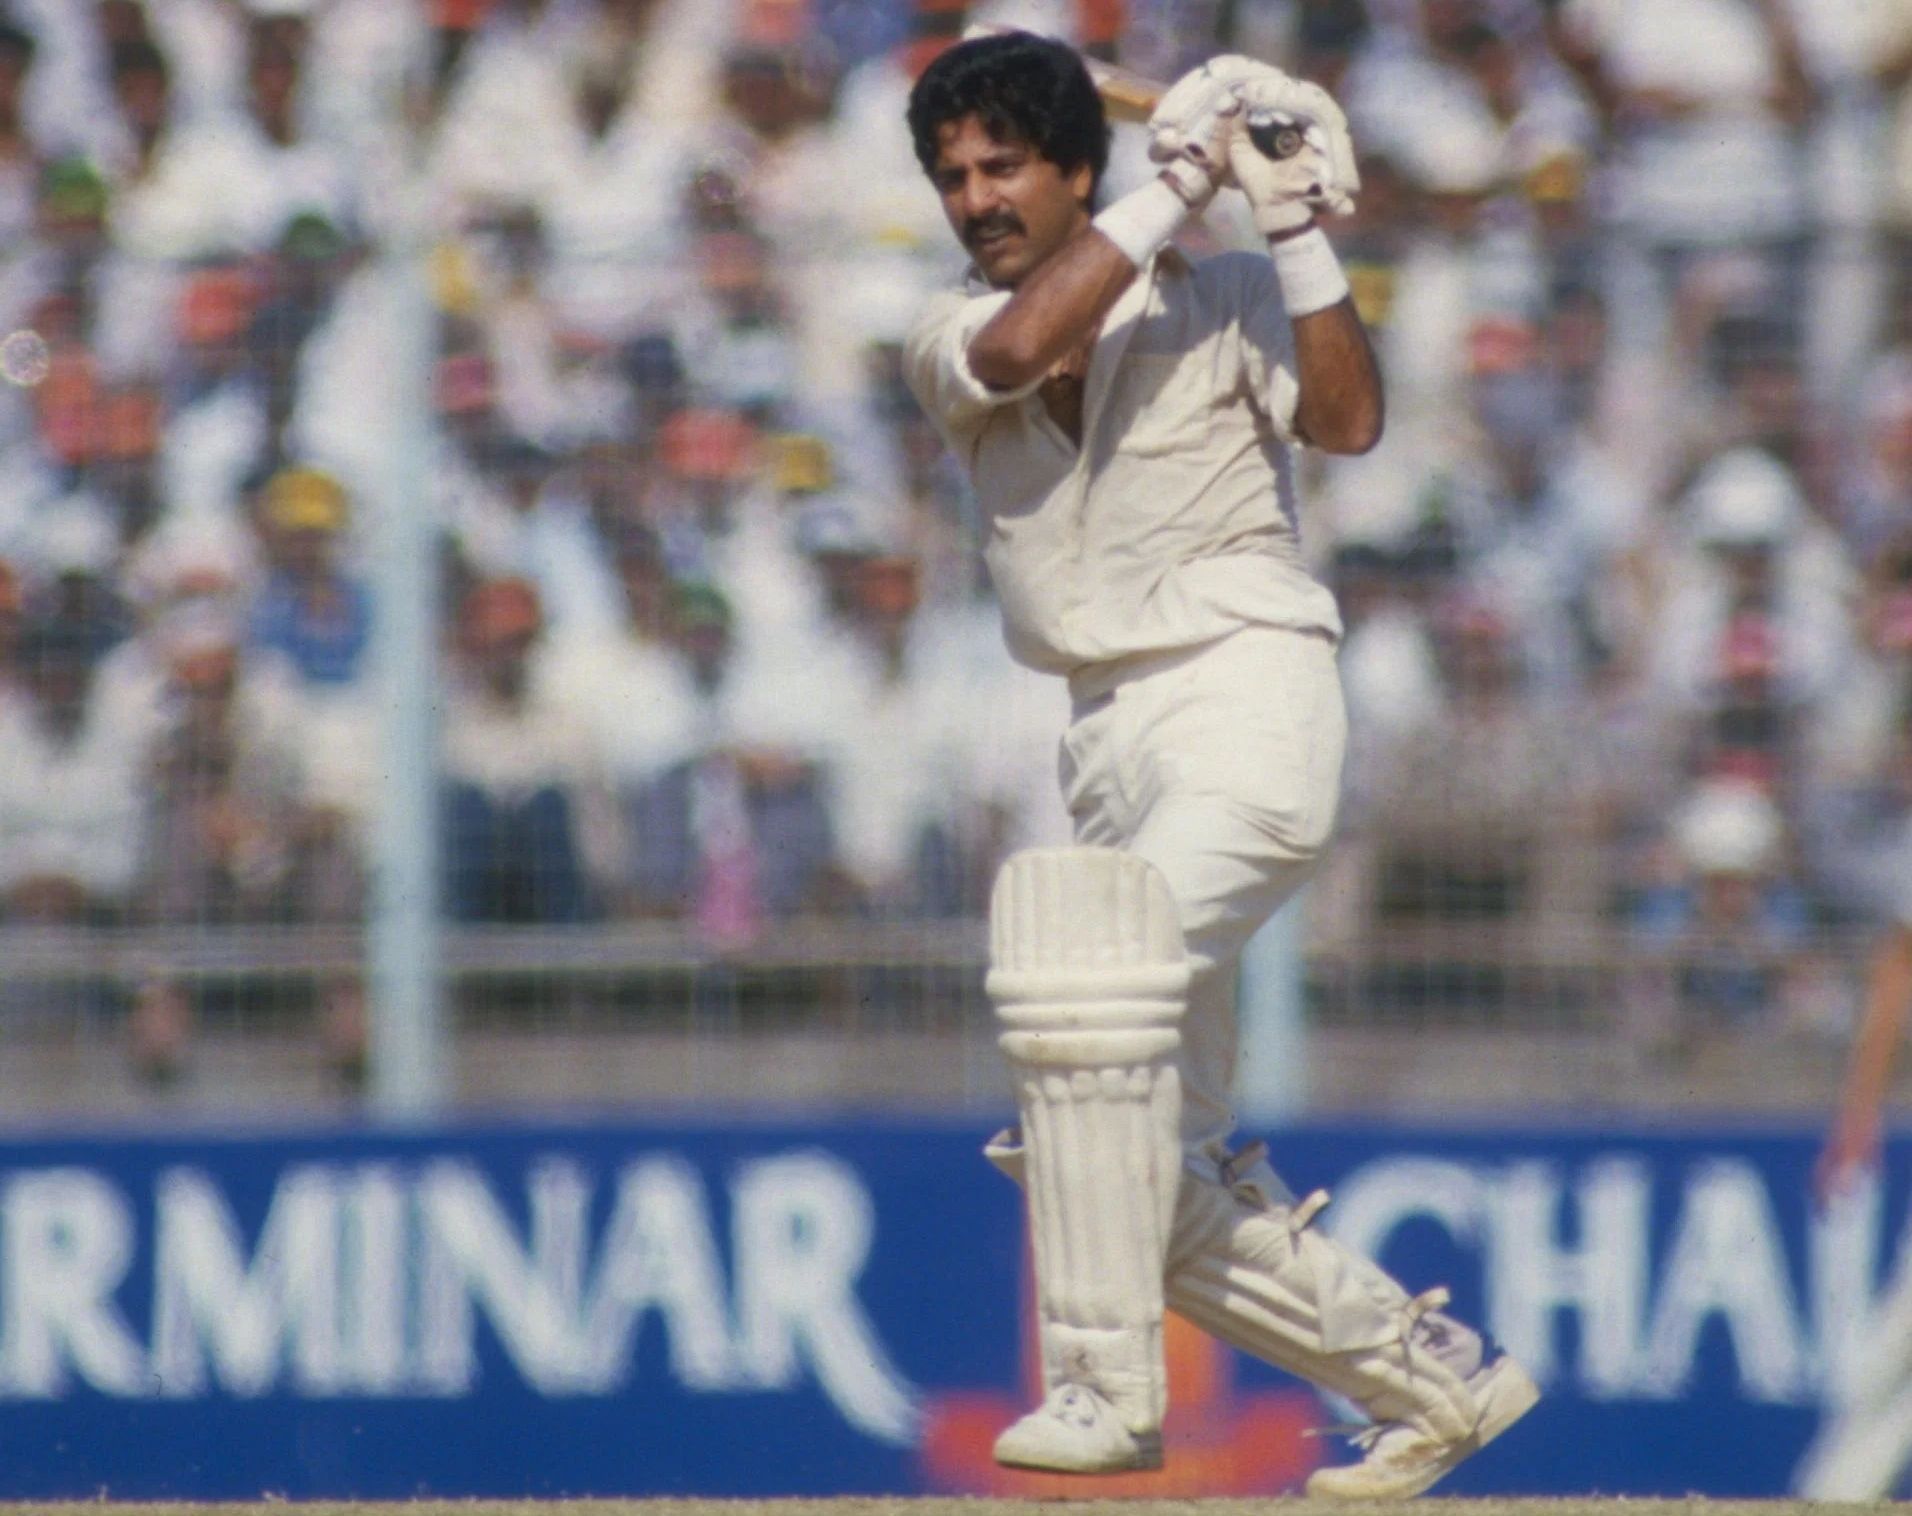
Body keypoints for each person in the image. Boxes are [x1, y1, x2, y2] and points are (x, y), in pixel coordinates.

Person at [901, 29, 1537, 1500]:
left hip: (1250, 695)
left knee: (1084, 1004)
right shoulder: (945, 333)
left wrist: (1291, 225)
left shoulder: (1234, 289)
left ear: (1078, 167)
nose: (979, 197)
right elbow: (1020, 349)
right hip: (1106, 738)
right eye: (955, 176)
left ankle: (1107, 1391)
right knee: (1094, 1127)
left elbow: (1352, 422)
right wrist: (1186, 179)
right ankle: (1430, 1380)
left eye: (1007, 166)